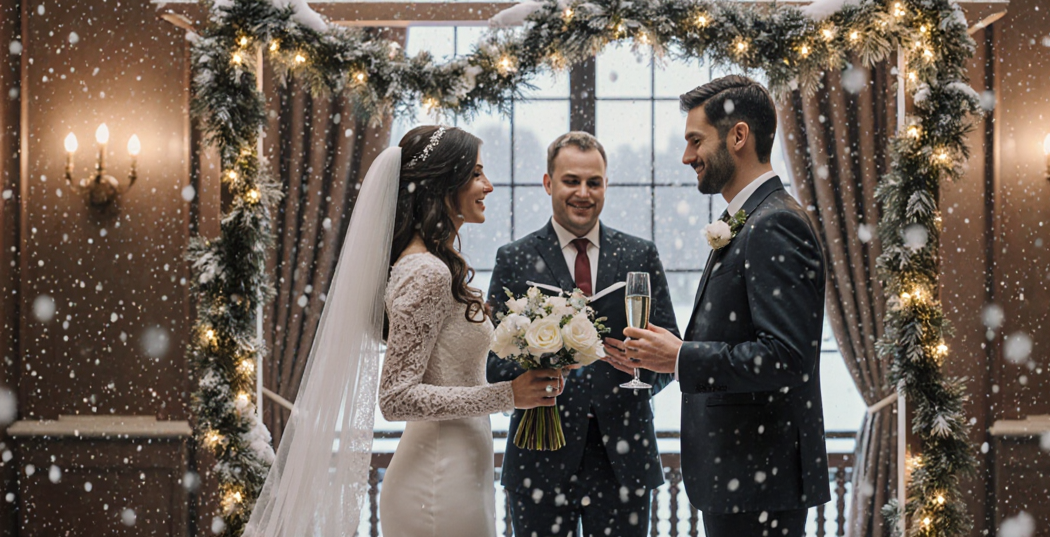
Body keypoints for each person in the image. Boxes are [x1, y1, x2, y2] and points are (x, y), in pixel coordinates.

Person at [243, 125, 563, 537]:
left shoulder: (434, 265)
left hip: (461, 469)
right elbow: (395, 398)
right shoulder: (424, 272)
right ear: (443, 182)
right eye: (476, 174)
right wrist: (508, 394)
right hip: (438, 480)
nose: (489, 185)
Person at [613, 76, 830, 537]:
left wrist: (680, 357)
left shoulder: (775, 225)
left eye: (695, 141)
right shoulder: (752, 219)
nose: (687, 156)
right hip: (745, 481)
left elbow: (787, 358)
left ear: (738, 136)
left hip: (760, 483)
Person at [486, 131, 680, 537]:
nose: (583, 192)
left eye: (594, 182)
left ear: (606, 185)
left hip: (623, 460)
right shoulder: (515, 258)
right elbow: (492, 363)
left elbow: (671, 356)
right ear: (548, 183)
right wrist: (541, 364)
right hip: (539, 456)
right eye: (571, 181)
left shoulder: (639, 255)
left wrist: (640, 366)